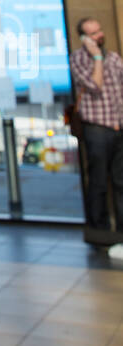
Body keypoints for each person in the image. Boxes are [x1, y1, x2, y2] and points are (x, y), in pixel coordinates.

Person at [70, 15, 123, 241]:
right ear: (83, 38)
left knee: (121, 181)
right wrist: (97, 58)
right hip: (96, 128)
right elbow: (95, 85)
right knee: (99, 181)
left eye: (99, 31)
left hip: (118, 126)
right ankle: (99, 232)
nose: (99, 35)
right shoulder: (79, 60)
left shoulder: (114, 58)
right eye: (93, 33)